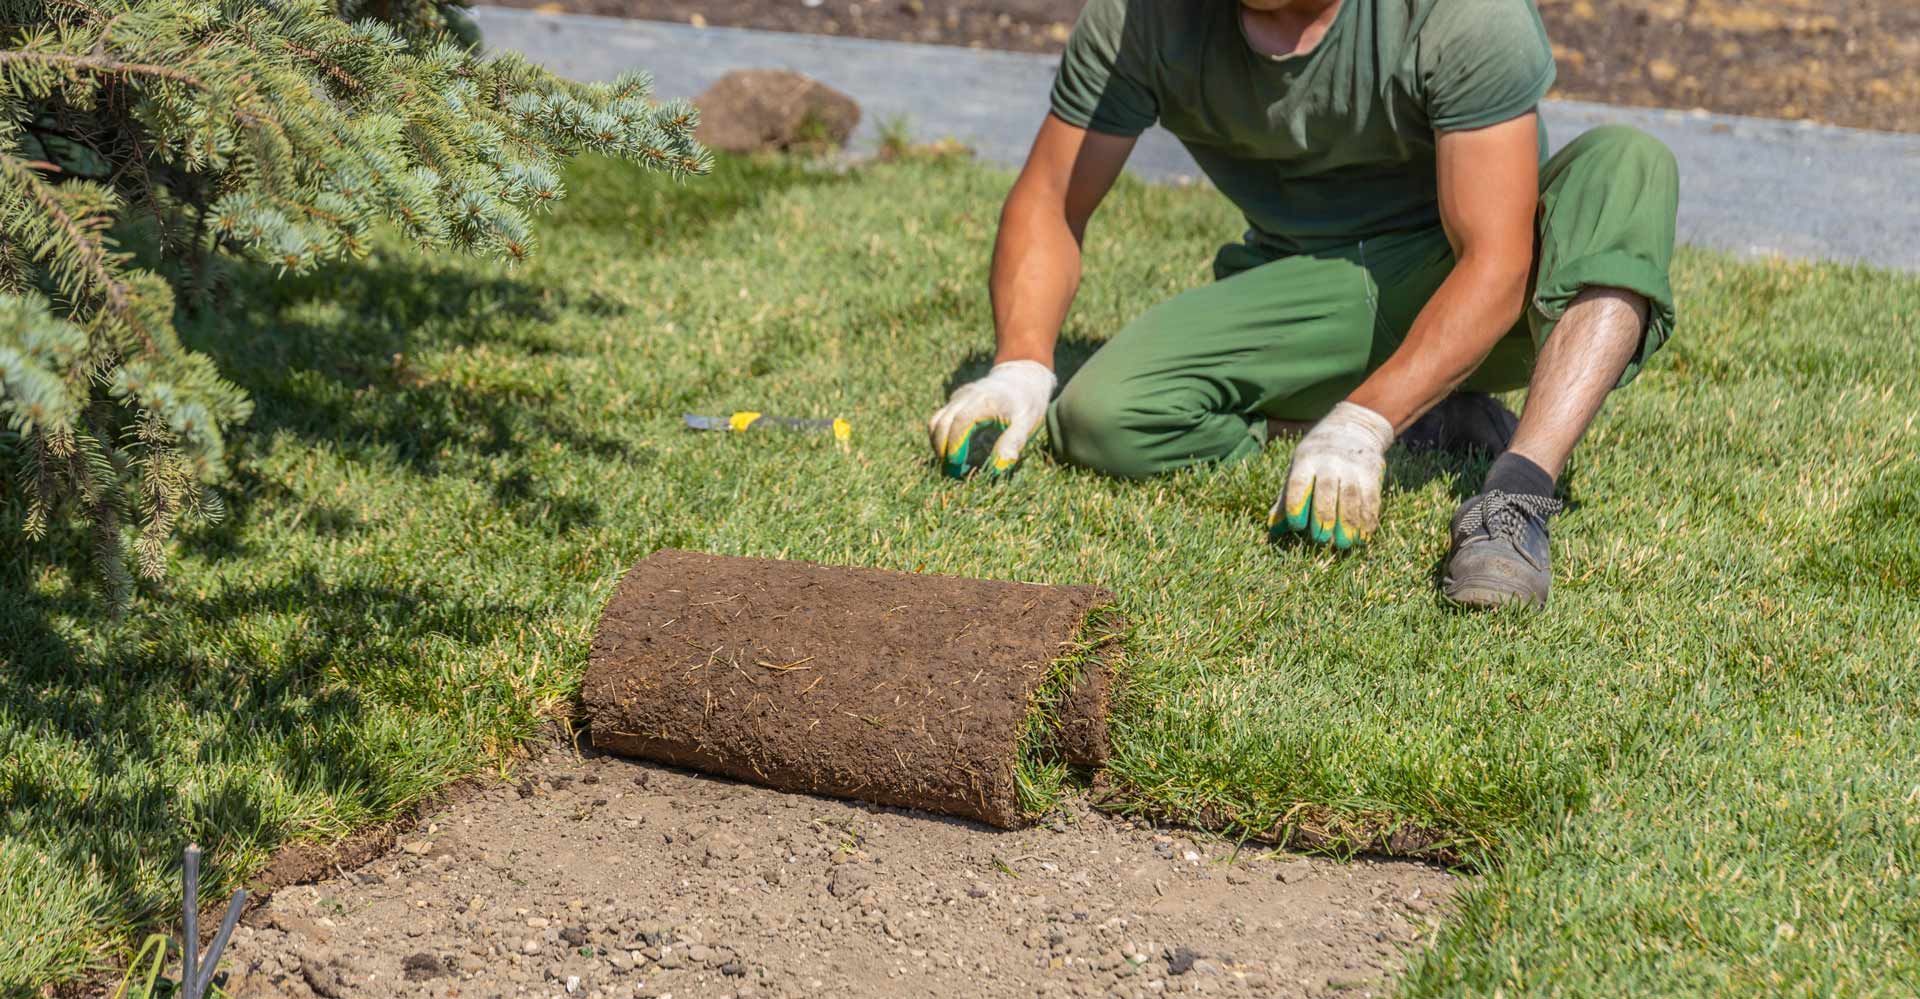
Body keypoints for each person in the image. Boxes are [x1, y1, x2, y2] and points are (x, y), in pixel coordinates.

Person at [927, 0, 1679, 609]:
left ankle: (1514, 498)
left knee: (1627, 168)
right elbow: (1052, 198)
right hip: (1303, 284)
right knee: (1102, 416)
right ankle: (1435, 417)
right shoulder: (1139, 18)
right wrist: (1020, 364)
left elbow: (1497, 258)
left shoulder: (1463, 13)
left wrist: (1366, 421)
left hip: (1476, 282)